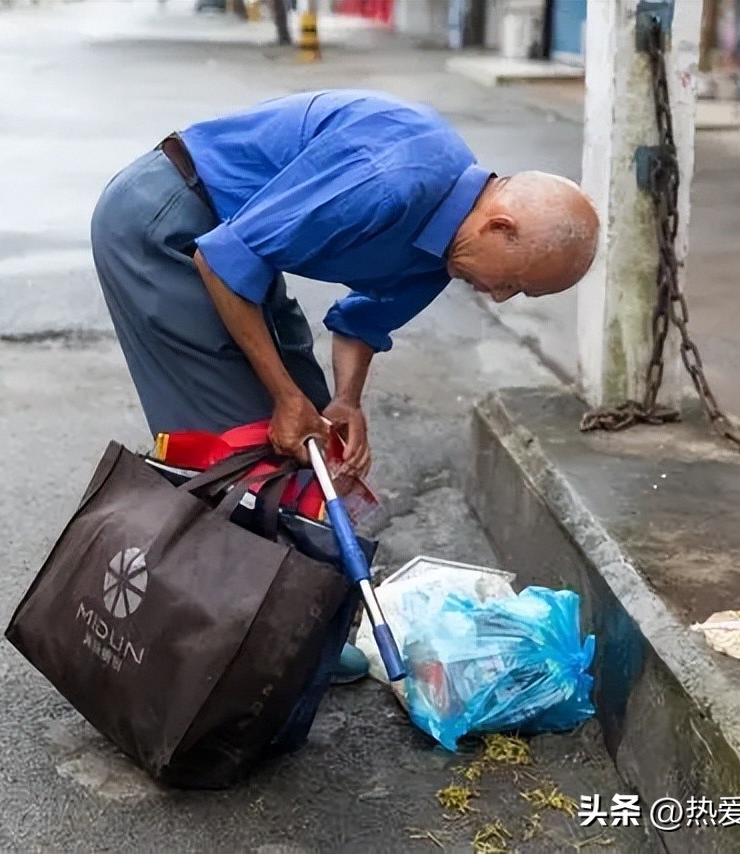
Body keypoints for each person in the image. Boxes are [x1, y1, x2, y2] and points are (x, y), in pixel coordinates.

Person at [91, 89, 598, 682]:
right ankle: (217, 641)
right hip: (165, 224)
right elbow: (224, 262)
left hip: (233, 236)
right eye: (512, 282)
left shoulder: (449, 247)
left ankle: (285, 628)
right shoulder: (391, 181)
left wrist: (344, 399)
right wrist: (283, 400)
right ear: (500, 227)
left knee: (313, 440)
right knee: (240, 441)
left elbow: (362, 320)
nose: (501, 297)